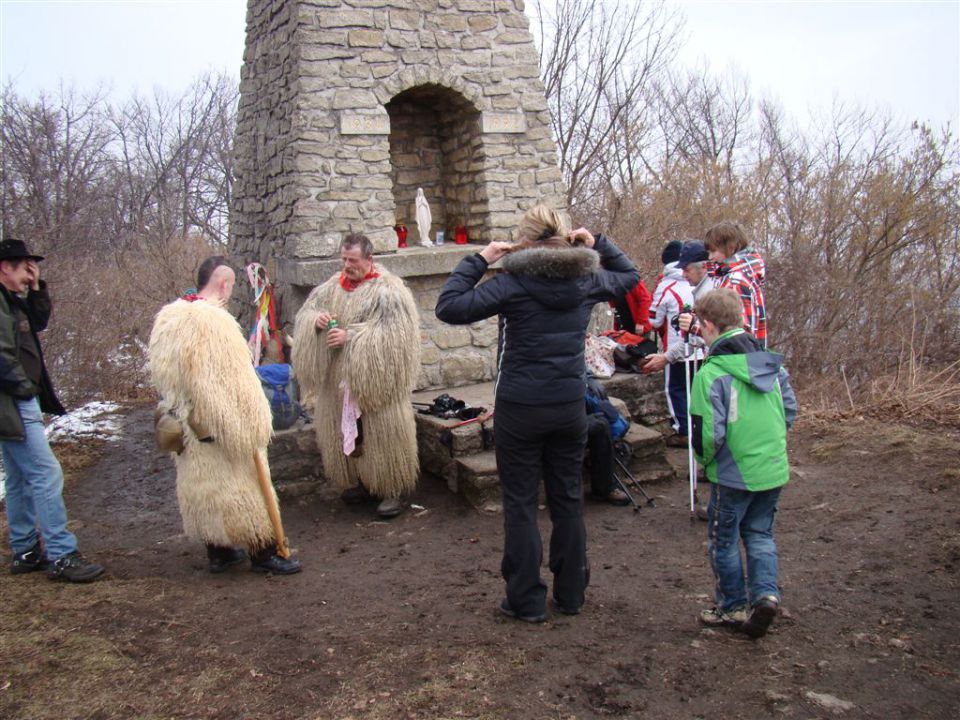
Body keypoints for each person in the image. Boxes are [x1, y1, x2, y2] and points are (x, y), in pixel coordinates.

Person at [435, 204, 639, 623]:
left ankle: (526, 600)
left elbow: (450, 306)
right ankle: (571, 595)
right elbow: (630, 277)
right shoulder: (585, 280)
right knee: (567, 499)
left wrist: (480, 259)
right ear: (564, 236)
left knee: (522, 503)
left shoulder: (513, 282)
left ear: (524, 240)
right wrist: (598, 242)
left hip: (520, 408)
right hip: (568, 406)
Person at [148, 256, 301, 575]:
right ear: (223, 283)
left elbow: (164, 375)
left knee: (204, 486)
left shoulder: (169, 318)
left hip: (185, 423)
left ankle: (218, 551)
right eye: (231, 285)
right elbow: (237, 381)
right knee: (244, 486)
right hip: (217, 424)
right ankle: (264, 551)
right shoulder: (216, 323)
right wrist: (253, 423)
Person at [689, 289, 797, 638]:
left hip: (733, 473)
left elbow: (707, 433)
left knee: (724, 539)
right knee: (760, 534)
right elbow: (789, 412)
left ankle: (731, 607)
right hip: (773, 465)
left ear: (707, 326)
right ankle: (765, 595)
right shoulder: (770, 363)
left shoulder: (712, 373)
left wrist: (705, 462)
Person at [292, 233, 421, 519]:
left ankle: (393, 489)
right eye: (343, 259)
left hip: (375, 386)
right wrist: (316, 322)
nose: (347, 265)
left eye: (353, 260)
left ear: (369, 259)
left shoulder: (390, 291)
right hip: (339, 381)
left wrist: (351, 337)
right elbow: (305, 314)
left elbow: (396, 336)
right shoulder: (329, 288)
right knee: (351, 436)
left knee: (382, 436)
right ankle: (363, 482)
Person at [0, 238, 105, 582]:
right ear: (5, 267)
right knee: (46, 474)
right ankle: (62, 554)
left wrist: (35, 286)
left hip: (14, 402)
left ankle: (26, 549)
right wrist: (25, 389)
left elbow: (39, 321)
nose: (30, 272)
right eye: (24, 266)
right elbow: (2, 356)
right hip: (13, 402)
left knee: (18, 477)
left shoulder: (12, 301)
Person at [642, 240, 703, 447]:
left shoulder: (665, 286)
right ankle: (697, 429)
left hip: (678, 345)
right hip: (704, 348)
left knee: (675, 388)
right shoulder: (701, 284)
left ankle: (683, 430)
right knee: (698, 390)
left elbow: (653, 319)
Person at [679, 221, 767, 347]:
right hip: (740, 361)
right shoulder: (730, 275)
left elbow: (740, 336)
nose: (709, 257)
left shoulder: (736, 281)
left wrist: (695, 326)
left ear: (730, 248)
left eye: (713, 251)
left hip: (735, 363)